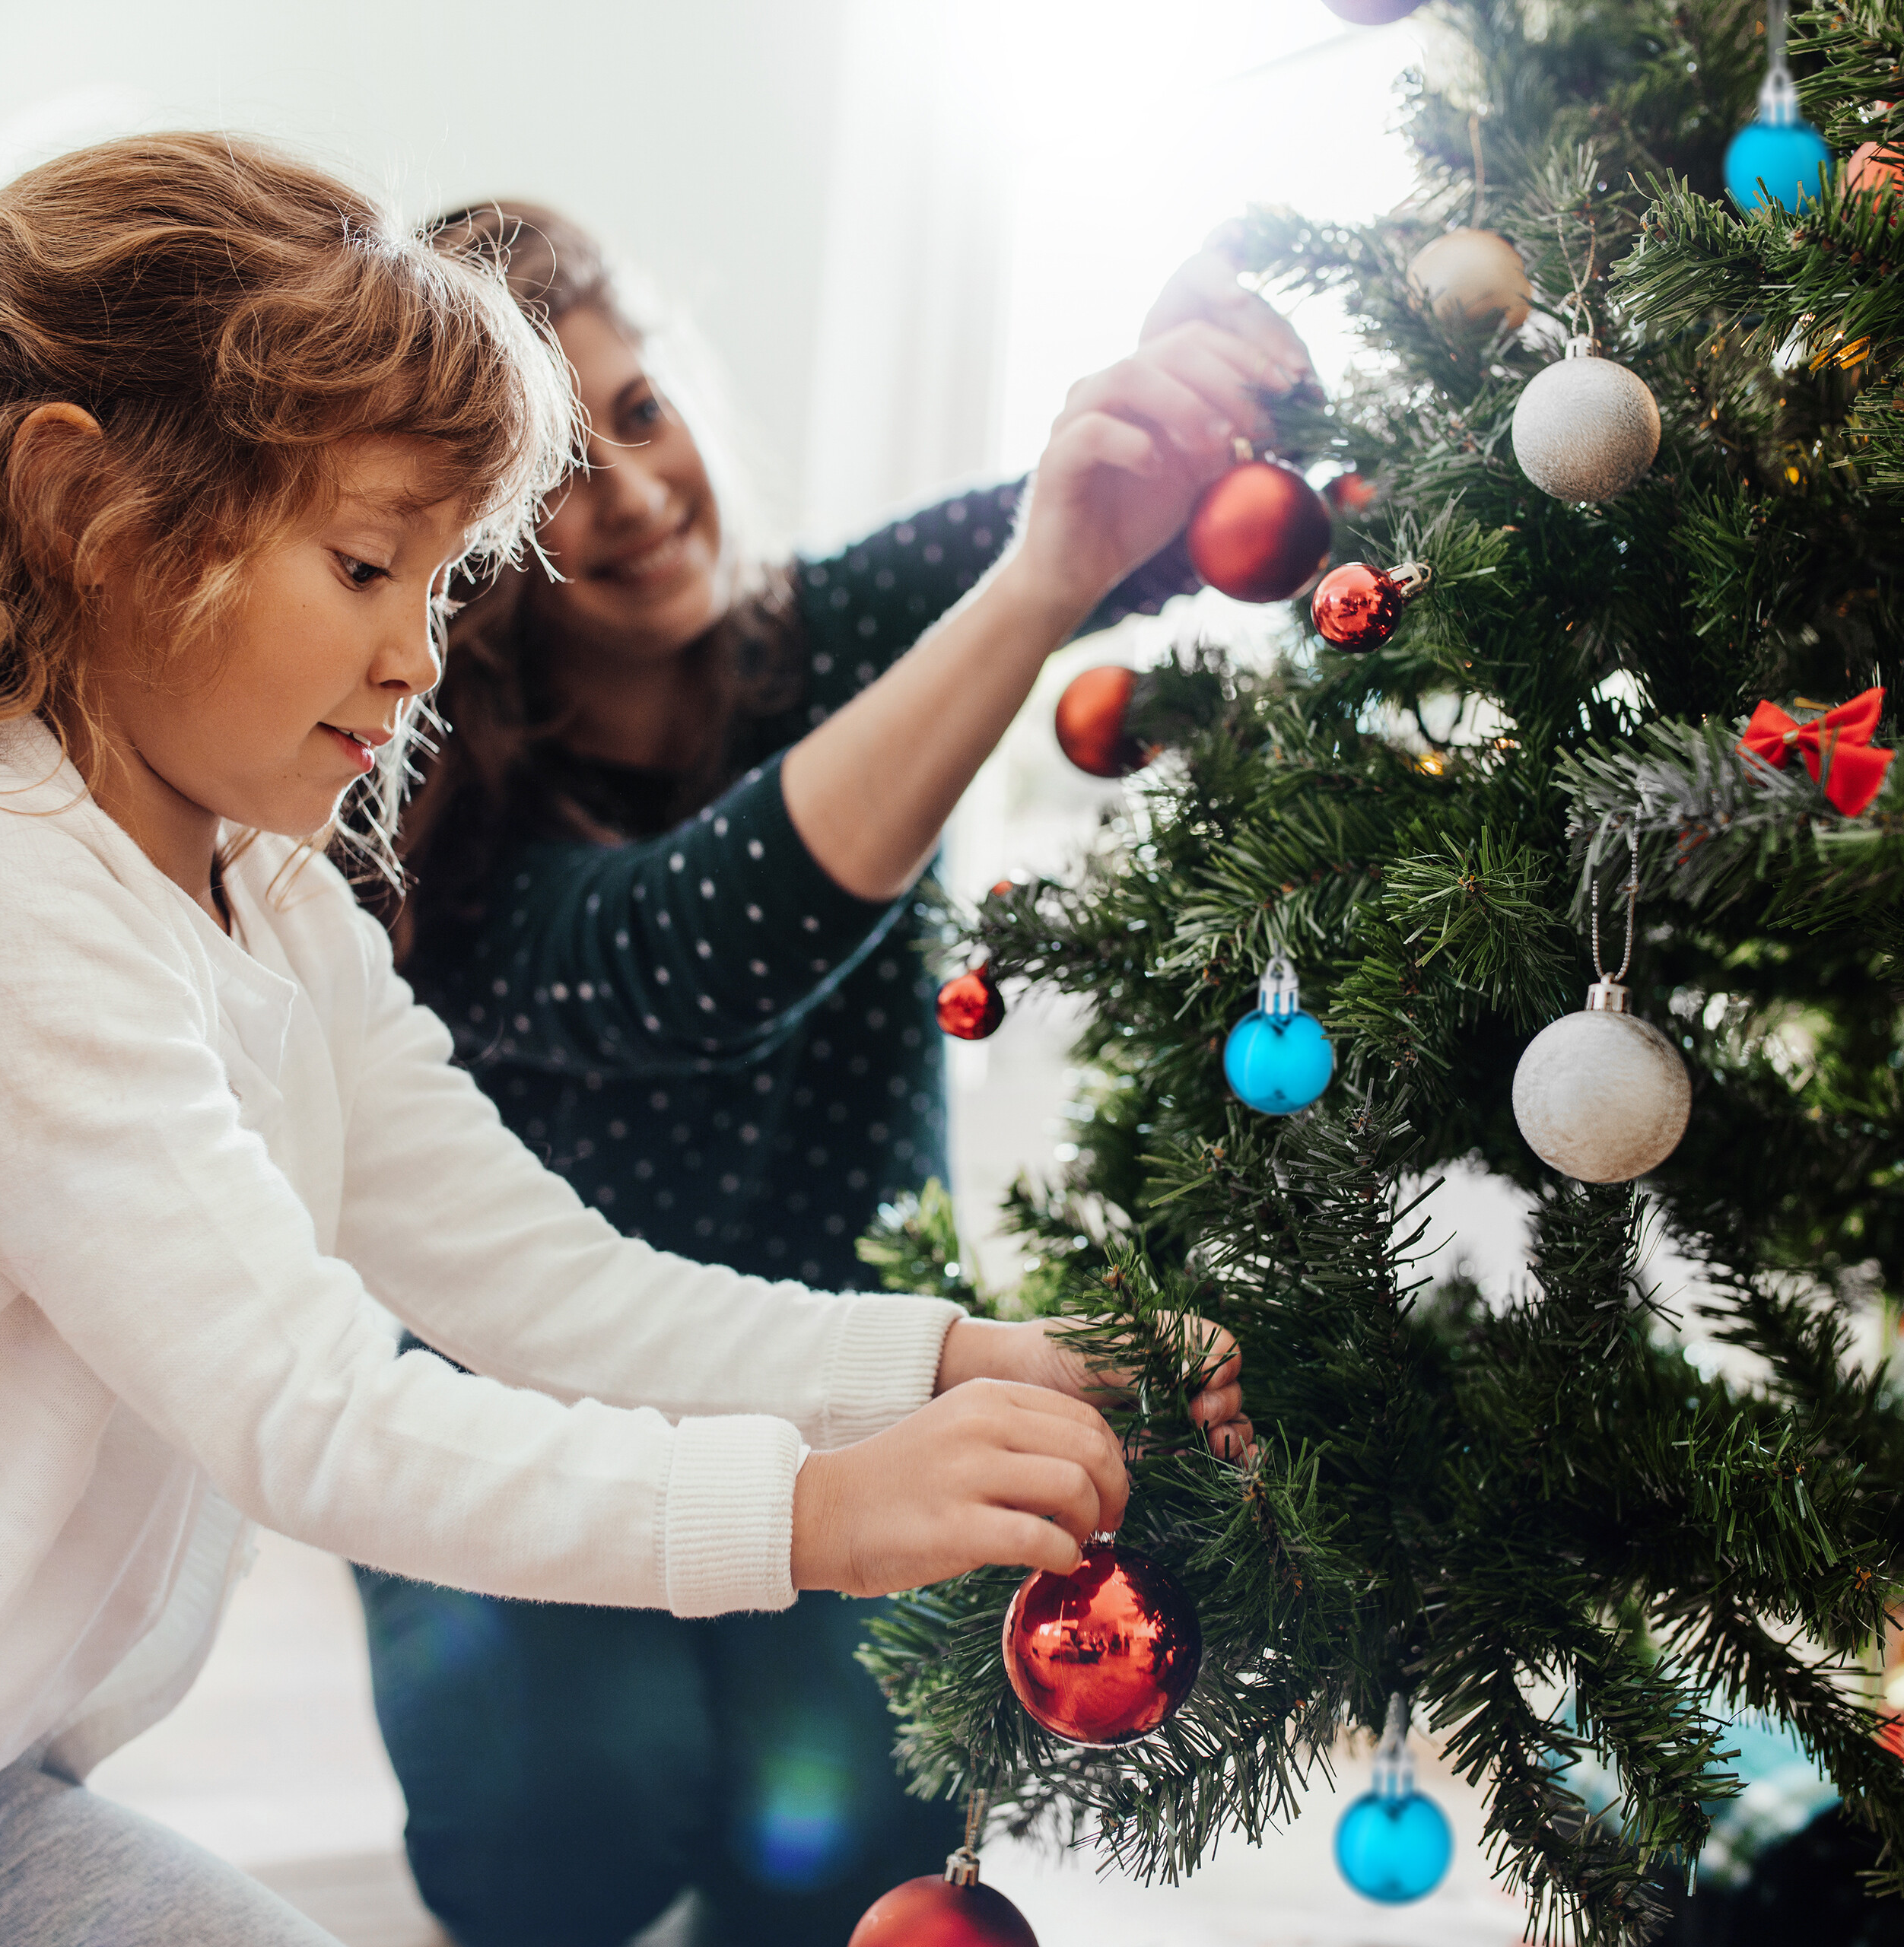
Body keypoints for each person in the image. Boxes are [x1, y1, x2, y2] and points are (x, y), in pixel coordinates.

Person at [0, 134, 1251, 1947]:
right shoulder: (6, 896)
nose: (415, 656)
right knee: (560, 1792)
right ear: (90, 512)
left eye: (440, 585)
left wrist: (957, 1356)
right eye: (364, 564)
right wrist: (813, 1511)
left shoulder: (266, 877)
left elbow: (535, 1277)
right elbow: (309, 1411)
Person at [355, 204, 1311, 1945]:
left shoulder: (841, 617)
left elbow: (1150, 526)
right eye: (551, 470)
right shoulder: (428, 823)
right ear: (453, 548)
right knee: (563, 1826)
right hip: (532, 1415)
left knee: (840, 1841)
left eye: (638, 413)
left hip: (859, 1375)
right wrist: (1033, 581)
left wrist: (1193, 398)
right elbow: (687, 956)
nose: (633, 495)